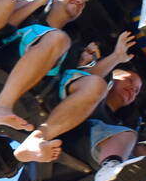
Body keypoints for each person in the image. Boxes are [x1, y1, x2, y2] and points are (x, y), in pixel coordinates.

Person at [0, 0, 92, 140]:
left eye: (83, 4)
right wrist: (39, 1)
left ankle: (39, 140)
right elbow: (5, 23)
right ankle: (1, 106)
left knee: (94, 82)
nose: (79, 2)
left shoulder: (71, 43)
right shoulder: (34, 5)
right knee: (58, 38)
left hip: (30, 94)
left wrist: (93, 62)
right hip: (0, 59)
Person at [10, 31, 136, 163]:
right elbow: (90, 76)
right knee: (96, 84)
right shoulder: (78, 65)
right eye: (129, 80)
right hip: (56, 89)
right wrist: (116, 57)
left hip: (77, 123)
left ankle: (111, 170)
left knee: (129, 135)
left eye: (137, 90)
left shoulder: (113, 119)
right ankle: (37, 139)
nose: (133, 89)